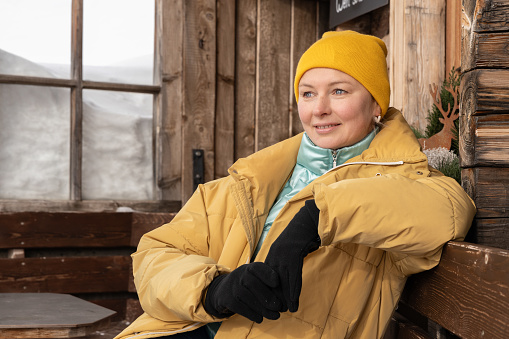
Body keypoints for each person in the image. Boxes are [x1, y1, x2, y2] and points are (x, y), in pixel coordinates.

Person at [115, 31, 476, 339]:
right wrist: (213, 290)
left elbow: (450, 212)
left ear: (376, 105)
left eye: (338, 91)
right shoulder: (249, 181)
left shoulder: (403, 183)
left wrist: (318, 216)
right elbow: (155, 255)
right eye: (307, 93)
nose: (318, 109)